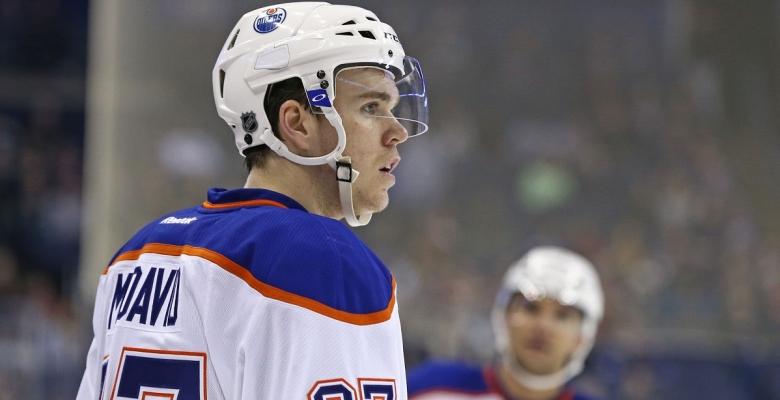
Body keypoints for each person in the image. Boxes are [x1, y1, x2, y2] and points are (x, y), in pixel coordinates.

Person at [76, 2, 429, 399]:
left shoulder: (136, 255)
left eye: (392, 109)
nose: (397, 131)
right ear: (297, 123)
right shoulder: (325, 261)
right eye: (371, 107)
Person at [408, 246, 604, 400]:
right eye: (530, 308)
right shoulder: (430, 388)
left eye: (562, 316)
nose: (543, 326)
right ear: (503, 316)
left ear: (582, 337)